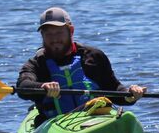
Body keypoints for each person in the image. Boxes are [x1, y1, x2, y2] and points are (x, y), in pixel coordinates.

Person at [15, 7, 145, 126]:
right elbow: (23, 86)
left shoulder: (93, 56)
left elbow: (113, 87)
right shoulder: (37, 63)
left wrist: (130, 94)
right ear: (42, 35)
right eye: (48, 34)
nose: (54, 39)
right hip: (56, 124)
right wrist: (42, 86)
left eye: (59, 32)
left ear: (71, 31)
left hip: (95, 118)